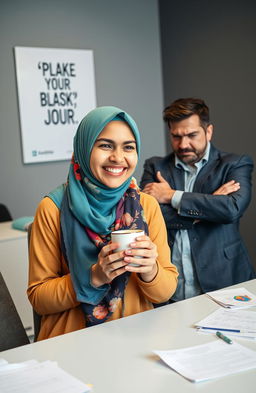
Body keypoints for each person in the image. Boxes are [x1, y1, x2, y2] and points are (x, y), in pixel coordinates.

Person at [27, 106, 178, 340]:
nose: (118, 157)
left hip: (137, 337)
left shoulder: (147, 206)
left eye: (128, 147)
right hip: (72, 341)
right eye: (105, 145)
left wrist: (151, 270)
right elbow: (39, 299)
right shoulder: (52, 208)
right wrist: (93, 277)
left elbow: (165, 291)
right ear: (84, 148)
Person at [140, 97, 255, 302]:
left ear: (208, 131)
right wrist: (210, 205)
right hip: (169, 288)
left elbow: (231, 209)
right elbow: (146, 216)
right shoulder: (155, 167)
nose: (183, 144)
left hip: (225, 282)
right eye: (176, 136)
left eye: (192, 135)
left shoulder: (235, 164)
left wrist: (170, 195)